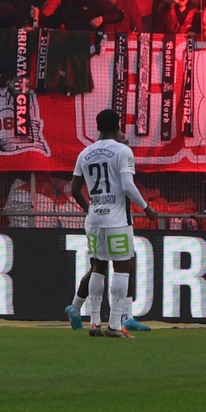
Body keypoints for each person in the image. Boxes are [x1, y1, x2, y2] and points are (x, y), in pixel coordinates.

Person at [69, 109, 159, 337]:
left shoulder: (85, 153)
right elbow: (128, 186)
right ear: (118, 126)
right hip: (117, 219)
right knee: (123, 265)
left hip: (94, 219)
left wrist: (90, 210)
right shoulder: (122, 150)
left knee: (98, 266)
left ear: (97, 127)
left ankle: (94, 322)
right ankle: (116, 324)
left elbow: (74, 189)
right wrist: (147, 208)